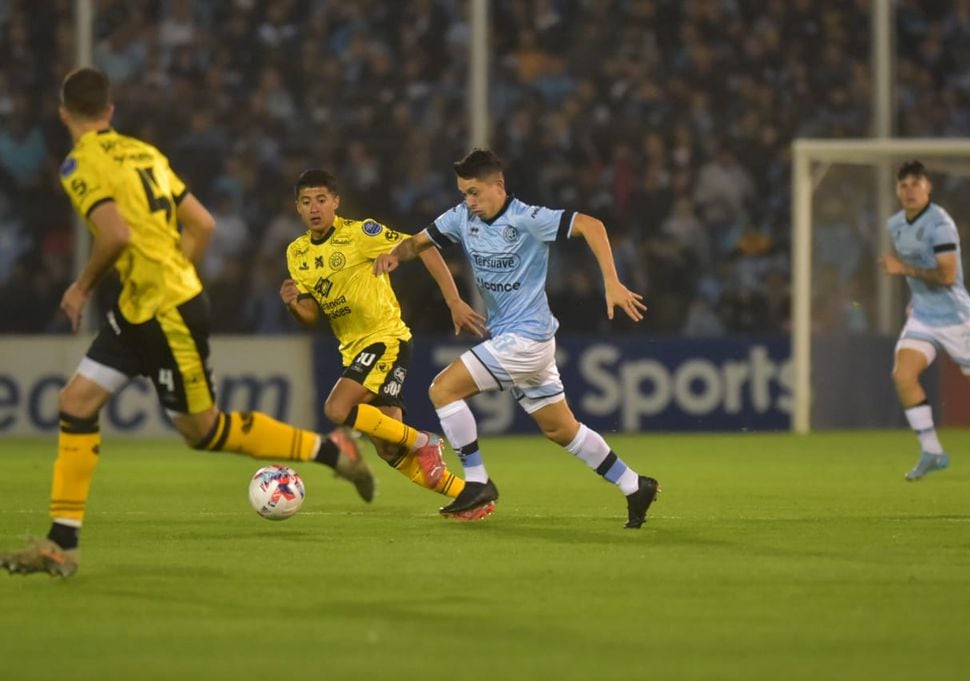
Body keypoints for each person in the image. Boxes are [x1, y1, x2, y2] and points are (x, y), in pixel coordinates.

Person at [0, 68, 366, 578]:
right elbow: (203, 224)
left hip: (165, 311)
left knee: (203, 430)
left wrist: (82, 286)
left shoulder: (77, 164)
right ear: (110, 111)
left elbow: (116, 235)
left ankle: (331, 450)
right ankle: (61, 546)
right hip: (141, 306)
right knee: (75, 402)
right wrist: (175, 272)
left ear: (65, 113)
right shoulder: (145, 153)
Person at [374, 148, 660, 528]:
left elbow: (592, 225)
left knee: (443, 390)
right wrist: (395, 255)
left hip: (526, 339)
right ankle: (633, 485)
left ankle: (476, 481)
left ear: (499, 186)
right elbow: (417, 242)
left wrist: (611, 281)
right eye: (464, 193)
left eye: (475, 192)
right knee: (561, 429)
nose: (468, 201)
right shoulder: (461, 218)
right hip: (525, 342)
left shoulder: (528, 218)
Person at [281, 169, 490, 511]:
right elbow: (311, 315)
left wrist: (454, 301)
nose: (314, 207)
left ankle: (425, 441)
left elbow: (423, 247)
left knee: (337, 408)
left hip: (385, 339)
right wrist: (292, 304)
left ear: (336, 202)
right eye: (306, 202)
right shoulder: (297, 253)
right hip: (353, 350)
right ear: (298, 209)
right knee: (389, 446)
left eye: (321, 199)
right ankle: (469, 498)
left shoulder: (360, 233)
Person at [880, 160, 970, 481]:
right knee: (903, 375)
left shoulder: (940, 224)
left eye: (916, 183)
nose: (910, 190)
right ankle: (932, 451)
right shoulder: (895, 226)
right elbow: (917, 269)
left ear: (928, 187)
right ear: (897, 191)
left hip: (957, 318)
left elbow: (946, 276)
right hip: (923, 317)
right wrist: (915, 300)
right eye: (903, 185)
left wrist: (902, 270)